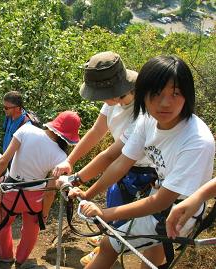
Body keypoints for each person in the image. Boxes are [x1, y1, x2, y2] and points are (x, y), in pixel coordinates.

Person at [74, 55, 215, 269]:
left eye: (175, 93)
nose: (165, 103)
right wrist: (87, 194)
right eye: (156, 94)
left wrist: (105, 213)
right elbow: (122, 163)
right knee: (151, 259)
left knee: (109, 245)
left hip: (179, 210)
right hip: (160, 196)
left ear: (187, 94)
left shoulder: (196, 140)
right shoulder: (148, 120)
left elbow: (161, 202)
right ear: (143, 94)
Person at [53, 51, 155, 266]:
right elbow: (96, 131)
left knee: (122, 229)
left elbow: (110, 155)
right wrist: (69, 161)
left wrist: (78, 180)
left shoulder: (143, 113)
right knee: (112, 220)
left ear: (113, 91)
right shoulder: (113, 100)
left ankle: (107, 250)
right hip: (123, 170)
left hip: (143, 173)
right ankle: (107, 245)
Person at [0, 111, 81, 265]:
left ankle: (4, 255)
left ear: (54, 122)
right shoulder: (62, 157)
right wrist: (44, 213)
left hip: (11, 191)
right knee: (31, 229)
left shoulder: (26, 129)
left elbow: (3, 161)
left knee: (2, 223)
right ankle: (21, 260)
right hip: (35, 198)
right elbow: (50, 191)